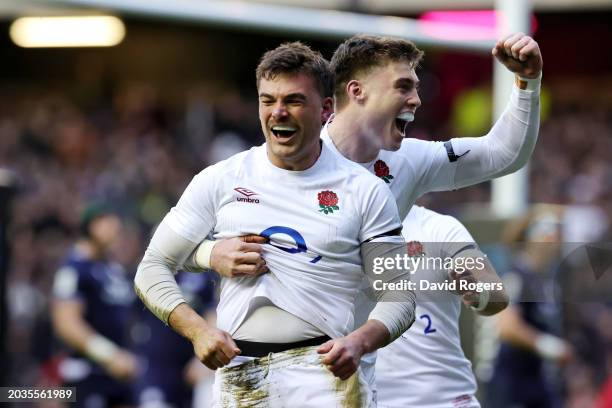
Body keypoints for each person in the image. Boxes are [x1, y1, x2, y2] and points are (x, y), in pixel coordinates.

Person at [134, 42, 417, 407]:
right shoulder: (222, 178)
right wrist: (199, 331)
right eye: (268, 100)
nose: (278, 112)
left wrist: (359, 342)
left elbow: (400, 296)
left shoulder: (365, 191)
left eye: (294, 100)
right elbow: (151, 268)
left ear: (326, 109)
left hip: (326, 378)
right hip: (239, 374)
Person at [374, 205, 508, 408]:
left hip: (440, 399)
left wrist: (480, 291)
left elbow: (496, 293)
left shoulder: (438, 227)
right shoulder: (332, 227)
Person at [51, 204, 137, 408]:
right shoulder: (73, 269)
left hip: (119, 374)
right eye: (108, 224)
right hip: (87, 375)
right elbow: (67, 324)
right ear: (92, 225)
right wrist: (109, 355)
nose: (116, 231)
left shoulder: (111, 269)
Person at [488, 206, 572, 408]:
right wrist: (547, 345)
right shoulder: (516, 276)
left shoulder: (545, 282)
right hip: (512, 386)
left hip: (537, 384)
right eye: (552, 232)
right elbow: (507, 327)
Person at [131, 271, 217, 408]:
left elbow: (213, 312)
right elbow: (130, 316)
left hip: (193, 362)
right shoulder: (148, 268)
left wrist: (204, 357)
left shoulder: (204, 274)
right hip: (156, 365)